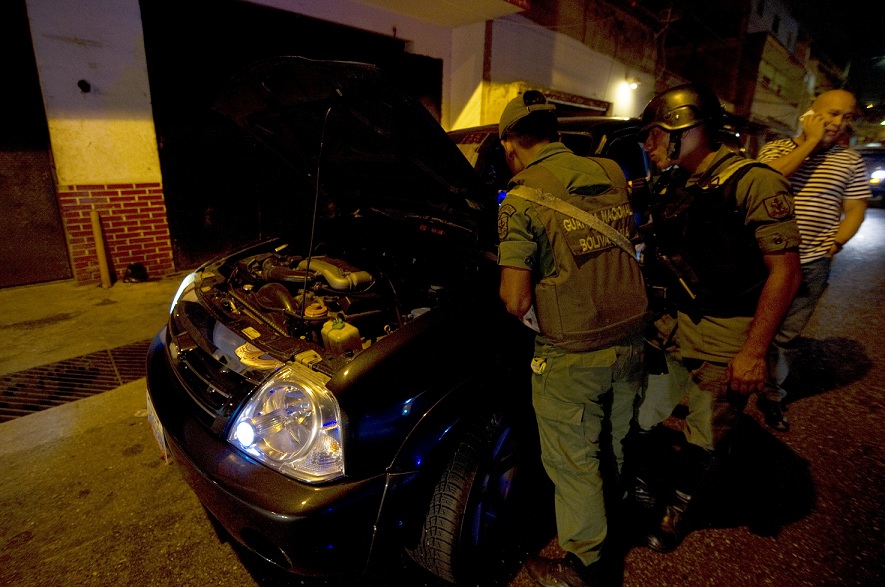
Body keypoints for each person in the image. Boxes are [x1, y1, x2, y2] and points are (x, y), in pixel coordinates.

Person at [633, 83, 802, 553]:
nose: (647, 145)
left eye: (654, 134)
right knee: (645, 414)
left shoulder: (756, 182)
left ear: (688, 131)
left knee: (705, 433)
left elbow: (785, 274)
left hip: (727, 332)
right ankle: (645, 492)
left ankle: (676, 512)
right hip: (673, 328)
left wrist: (754, 351)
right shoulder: (676, 182)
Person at [496, 90, 649, 586]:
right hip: (631, 338)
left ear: (509, 145)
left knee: (573, 462)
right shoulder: (609, 171)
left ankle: (584, 567)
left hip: (572, 354)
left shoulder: (520, 197)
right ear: (556, 133)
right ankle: (617, 518)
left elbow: (515, 300)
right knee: (616, 439)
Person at [755, 89, 871, 431]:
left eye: (846, 117)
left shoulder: (850, 161)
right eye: (832, 114)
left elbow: (855, 208)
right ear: (810, 113)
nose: (838, 123)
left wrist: (836, 243)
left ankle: (772, 394)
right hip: (762, 257)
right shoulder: (776, 148)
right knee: (744, 324)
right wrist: (809, 143)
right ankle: (729, 385)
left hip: (811, 262)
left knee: (786, 335)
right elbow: (764, 183)